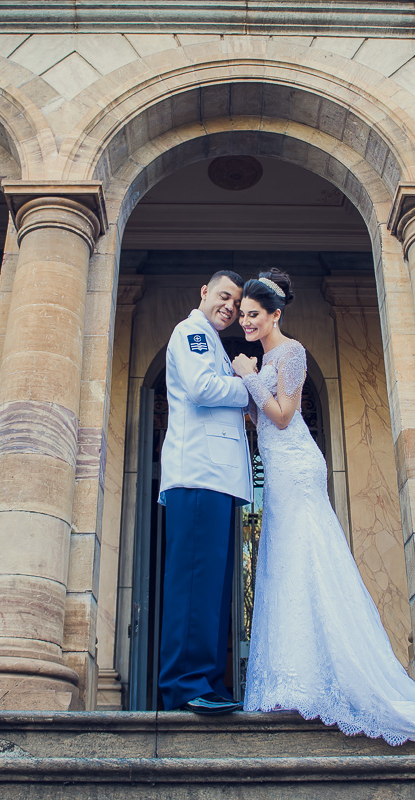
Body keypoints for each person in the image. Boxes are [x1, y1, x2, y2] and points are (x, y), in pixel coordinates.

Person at [230, 268, 415, 744]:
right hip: (276, 472)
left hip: (298, 467)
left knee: (307, 558)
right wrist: (245, 398)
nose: (245, 323)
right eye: (242, 316)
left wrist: (249, 378)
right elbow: (262, 419)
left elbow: (283, 416)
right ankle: (292, 680)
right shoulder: (265, 360)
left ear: (275, 314)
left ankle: (318, 681)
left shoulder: (291, 352)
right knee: (284, 564)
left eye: (253, 315)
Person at [158, 269, 253, 715]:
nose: (230, 307)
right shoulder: (191, 332)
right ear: (204, 292)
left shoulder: (212, 341)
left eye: (235, 303)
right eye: (224, 296)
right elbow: (201, 388)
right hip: (197, 473)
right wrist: (248, 385)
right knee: (193, 584)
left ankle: (209, 681)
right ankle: (184, 684)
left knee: (212, 588)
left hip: (216, 478)